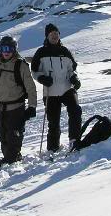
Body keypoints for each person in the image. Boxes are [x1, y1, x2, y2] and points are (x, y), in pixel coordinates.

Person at [0, 35, 38, 168]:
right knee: (2, 134)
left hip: (16, 107)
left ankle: (11, 159)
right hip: (2, 107)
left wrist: (32, 106)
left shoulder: (21, 65)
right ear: (0, 50)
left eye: (9, 48)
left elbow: (31, 87)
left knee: (14, 135)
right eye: (4, 48)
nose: (6, 52)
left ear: (14, 49)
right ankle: (10, 157)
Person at [31, 23, 82, 152]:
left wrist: (74, 78)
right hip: (50, 92)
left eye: (56, 34)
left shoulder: (65, 52)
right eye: (52, 34)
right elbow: (35, 71)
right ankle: (53, 148)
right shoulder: (41, 52)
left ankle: (74, 140)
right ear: (47, 36)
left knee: (75, 111)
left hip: (67, 89)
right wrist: (42, 78)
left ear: (59, 35)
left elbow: (72, 69)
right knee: (53, 122)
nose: (54, 36)